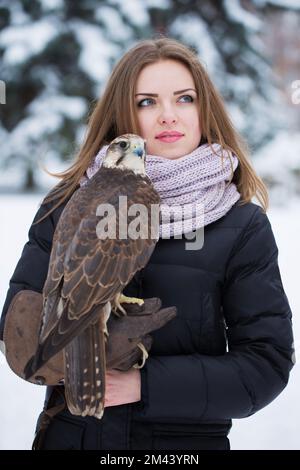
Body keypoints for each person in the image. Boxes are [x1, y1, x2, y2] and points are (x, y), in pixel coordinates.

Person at [0, 37, 294, 451]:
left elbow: (266, 365)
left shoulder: (240, 226)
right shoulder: (67, 204)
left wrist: (143, 384)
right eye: (147, 102)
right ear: (123, 115)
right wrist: (72, 345)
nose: (168, 115)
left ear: (204, 110)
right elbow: (18, 330)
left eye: (185, 98)